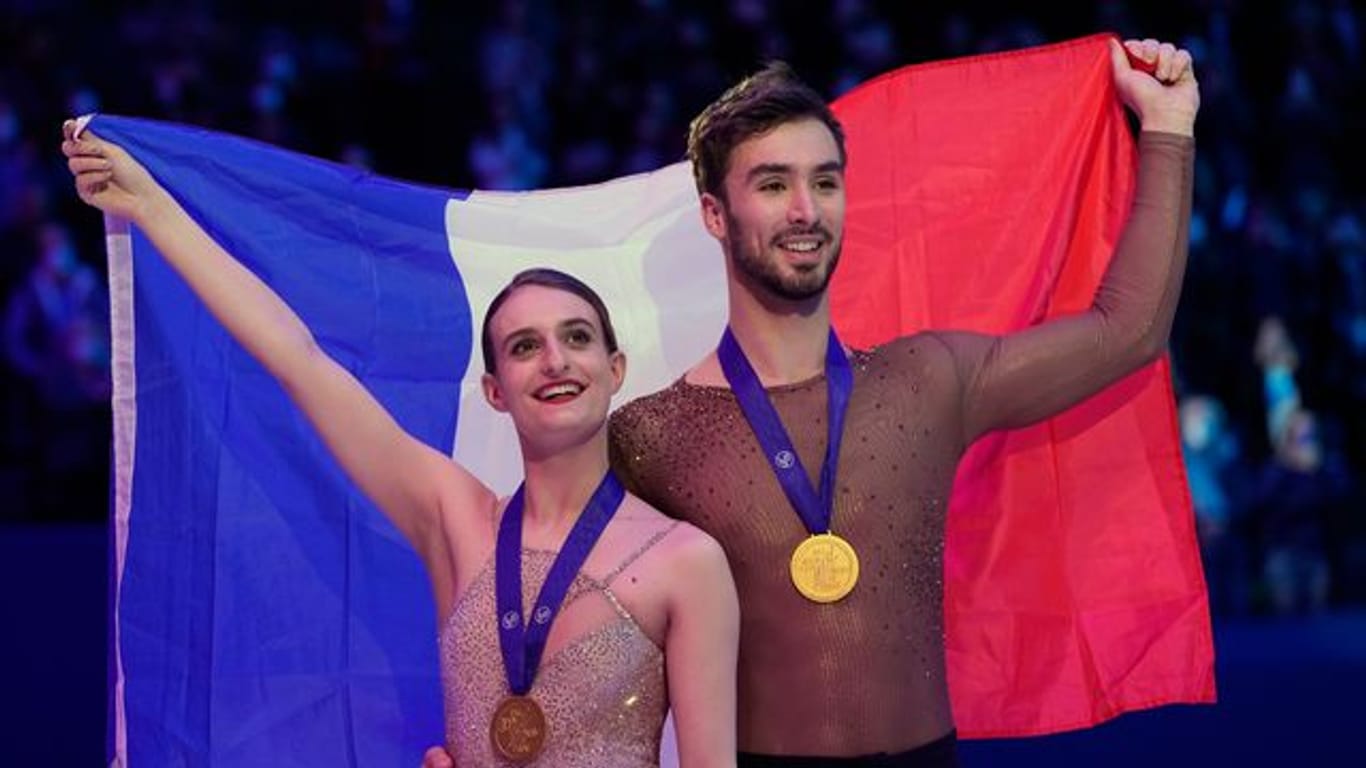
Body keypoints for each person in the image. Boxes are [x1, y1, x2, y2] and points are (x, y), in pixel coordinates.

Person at [426, 32, 1200, 768]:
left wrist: (1167, 132)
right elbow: (533, 587)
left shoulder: (926, 383)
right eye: (773, 184)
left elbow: (1127, 332)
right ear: (714, 215)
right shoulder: (648, 436)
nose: (805, 209)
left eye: (824, 181)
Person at [62, 123, 739, 767]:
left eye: (577, 337)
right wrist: (152, 206)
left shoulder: (687, 562)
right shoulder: (455, 519)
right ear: (496, 388)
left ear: (615, 369)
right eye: (525, 347)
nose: (555, 360)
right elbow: (300, 362)